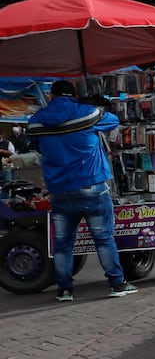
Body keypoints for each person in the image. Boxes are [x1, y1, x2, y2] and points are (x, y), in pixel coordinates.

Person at [27, 81, 138, 302]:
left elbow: (37, 145)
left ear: (51, 95)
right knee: (104, 239)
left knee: (63, 243)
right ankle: (117, 283)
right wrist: (98, 107)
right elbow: (114, 121)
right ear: (74, 95)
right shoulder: (87, 113)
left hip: (59, 190)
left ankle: (65, 290)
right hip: (92, 186)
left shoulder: (36, 121)